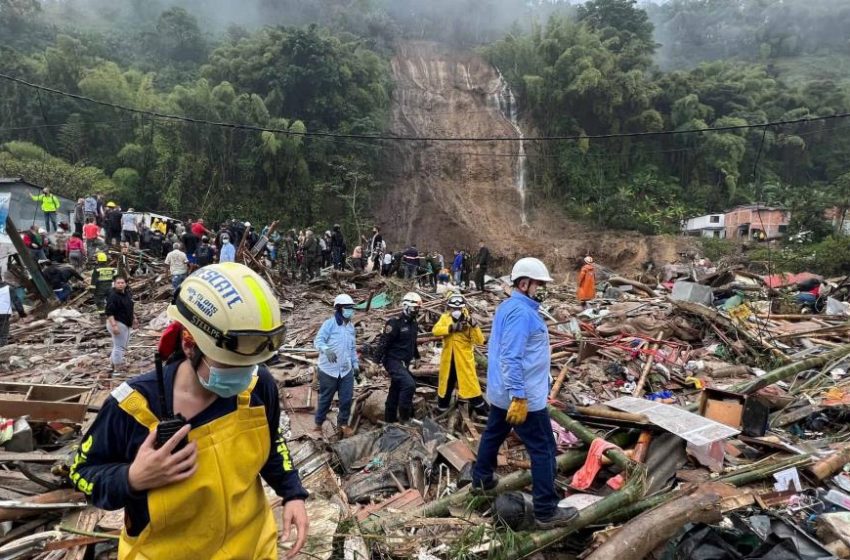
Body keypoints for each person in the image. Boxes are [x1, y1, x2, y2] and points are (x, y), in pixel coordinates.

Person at [69, 263, 310, 558]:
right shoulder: (132, 408)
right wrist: (132, 478)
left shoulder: (258, 386)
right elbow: (82, 474)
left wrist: (292, 493)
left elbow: (271, 443)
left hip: (252, 548)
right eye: (229, 363)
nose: (242, 375)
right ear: (188, 344)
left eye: (249, 365)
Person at [472, 257, 578, 529]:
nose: (540, 289)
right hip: (522, 398)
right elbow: (510, 357)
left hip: (501, 392)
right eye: (538, 284)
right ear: (524, 283)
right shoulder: (521, 313)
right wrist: (519, 395)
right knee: (544, 449)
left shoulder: (510, 307)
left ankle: (481, 479)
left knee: (493, 434)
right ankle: (545, 510)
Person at [433, 293, 487, 416]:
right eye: (453, 308)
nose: (456, 311)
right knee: (446, 385)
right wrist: (451, 328)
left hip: (464, 361)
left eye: (458, 309)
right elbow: (435, 330)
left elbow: (480, 340)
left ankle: (482, 412)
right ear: (449, 308)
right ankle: (442, 410)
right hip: (448, 361)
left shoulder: (468, 321)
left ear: (462, 308)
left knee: (471, 386)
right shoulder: (445, 319)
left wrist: (474, 326)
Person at [313, 294, 359, 438]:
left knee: (346, 398)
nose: (351, 311)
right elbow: (318, 341)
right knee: (326, 399)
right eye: (348, 308)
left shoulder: (351, 327)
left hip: (346, 370)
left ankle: (343, 424)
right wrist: (326, 349)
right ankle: (318, 425)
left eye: (352, 308)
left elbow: (352, 348)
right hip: (328, 370)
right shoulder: (329, 324)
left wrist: (355, 364)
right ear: (339, 309)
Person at [375, 292, 422, 423]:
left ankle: (389, 421)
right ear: (406, 306)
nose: (416, 311)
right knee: (409, 385)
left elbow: (413, 342)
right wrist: (375, 362)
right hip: (392, 360)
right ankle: (404, 420)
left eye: (418, 308)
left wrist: (417, 356)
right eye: (414, 308)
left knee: (396, 390)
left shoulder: (414, 324)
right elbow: (383, 342)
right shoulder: (395, 323)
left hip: (404, 363)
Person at [104, 275, 137, 374]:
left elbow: (129, 308)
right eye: (118, 283)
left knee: (119, 345)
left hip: (125, 322)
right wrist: (114, 326)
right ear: (114, 284)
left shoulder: (127, 293)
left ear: (126, 284)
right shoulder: (113, 296)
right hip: (117, 322)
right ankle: (117, 368)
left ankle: (113, 363)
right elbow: (109, 312)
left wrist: (134, 318)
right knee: (120, 347)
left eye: (122, 283)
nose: (120, 285)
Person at [0, 276, 26, 346]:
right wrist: (22, 313)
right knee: (3, 335)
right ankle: (3, 352)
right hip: (4, 312)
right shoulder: (8, 288)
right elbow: (16, 301)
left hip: (4, 312)